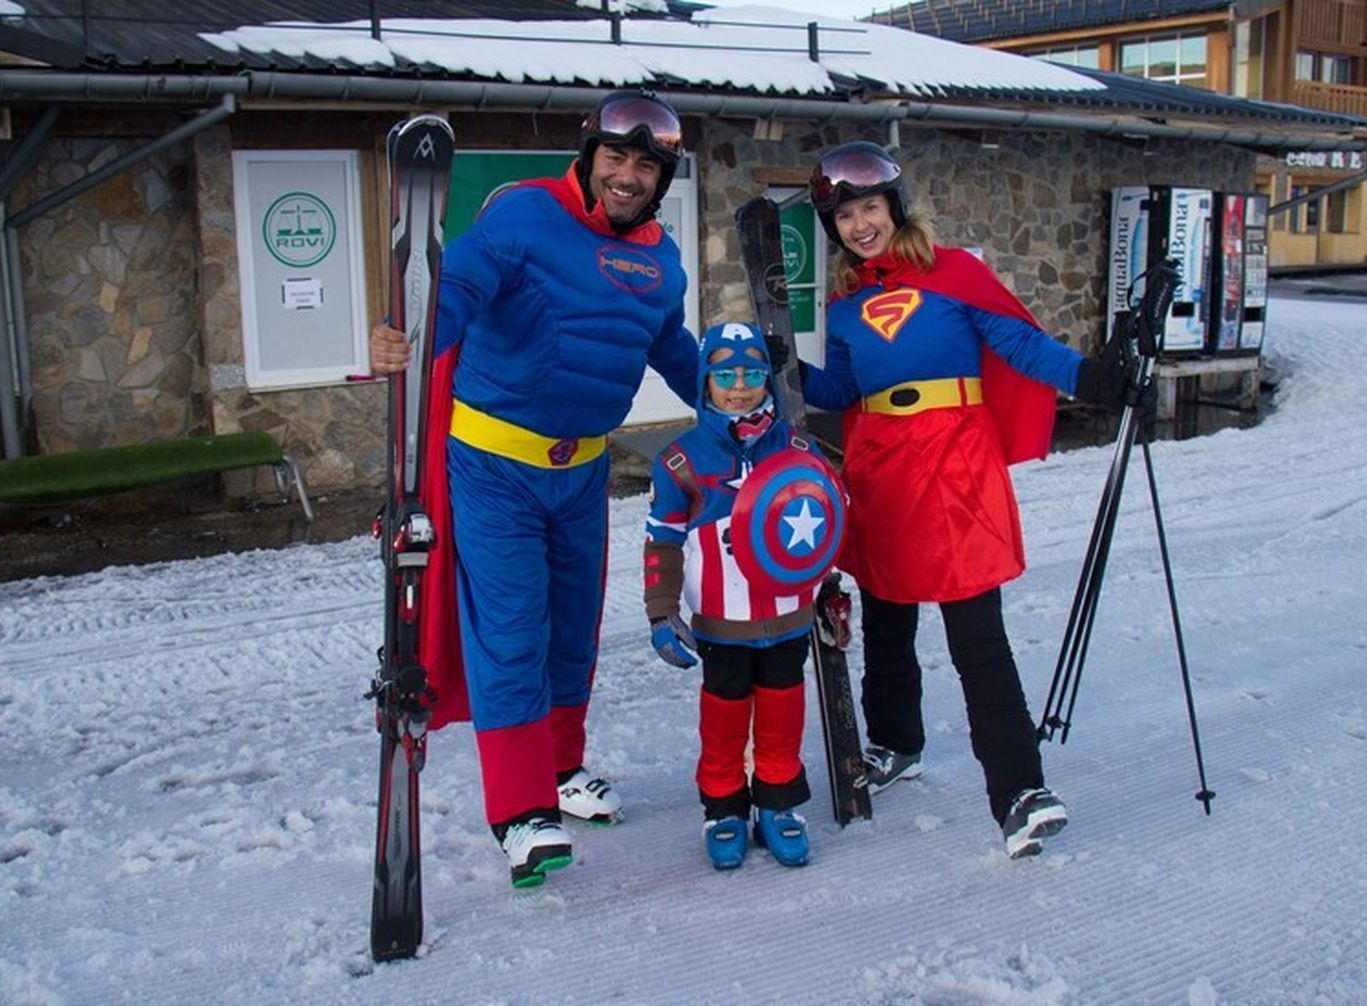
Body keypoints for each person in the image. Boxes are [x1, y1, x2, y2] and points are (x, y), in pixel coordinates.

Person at [368, 90, 701, 888]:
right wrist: (409, 336)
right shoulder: (523, 218)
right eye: (616, 158)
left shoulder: (661, 262)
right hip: (493, 470)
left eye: (646, 166)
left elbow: (673, 350)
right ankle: (520, 811)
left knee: (571, 634)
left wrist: (744, 404)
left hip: (583, 472)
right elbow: (458, 290)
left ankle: (559, 772)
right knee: (512, 632)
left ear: (663, 179)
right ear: (589, 157)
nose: (628, 176)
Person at [779, 140, 1136, 859]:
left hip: (954, 464)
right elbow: (842, 391)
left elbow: (1022, 346)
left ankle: (1019, 790)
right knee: (887, 621)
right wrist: (781, 366)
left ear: (895, 207)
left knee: (977, 635)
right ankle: (895, 743)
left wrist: (1091, 378)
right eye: (844, 216)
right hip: (881, 467)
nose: (858, 225)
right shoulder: (846, 308)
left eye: (869, 208)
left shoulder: (955, 274)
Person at [642, 321, 835, 871]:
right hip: (721, 622)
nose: (740, 385)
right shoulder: (680, 460)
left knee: (782, 707)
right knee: (724, 711)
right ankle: (723, 806)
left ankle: (778, 803)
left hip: (788, 614)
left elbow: (822, 522)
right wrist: (662, 612)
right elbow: (662, 541)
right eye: (725, 373)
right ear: (705, 381)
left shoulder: (797, 446)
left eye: (752, 373)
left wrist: (829, 587)